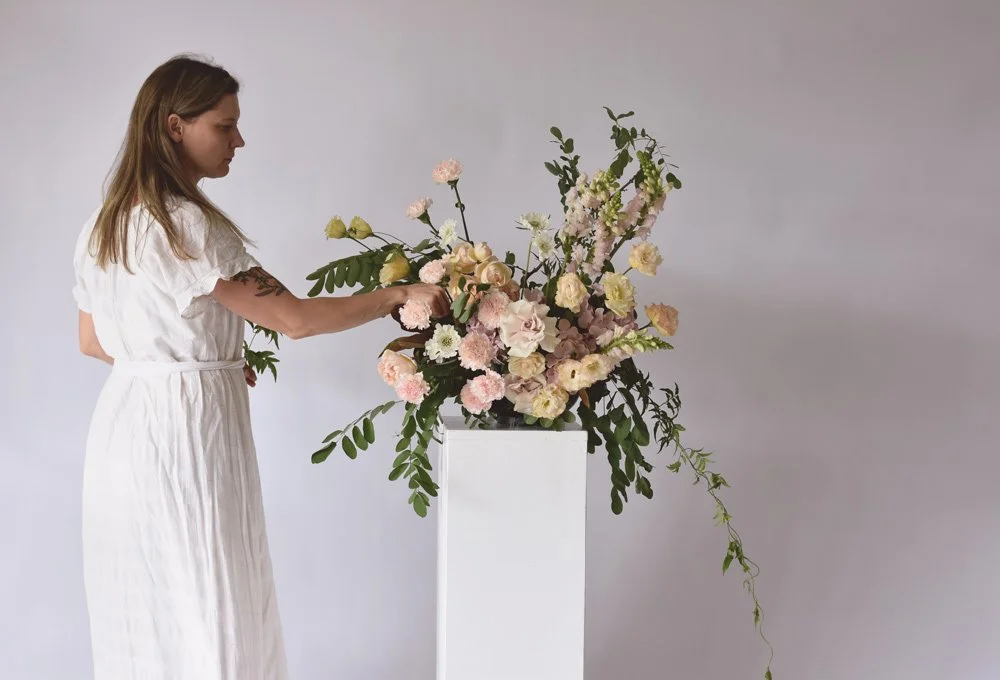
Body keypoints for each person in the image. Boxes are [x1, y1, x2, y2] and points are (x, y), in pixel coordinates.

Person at [72, 54, 449, 680]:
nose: (239, 139)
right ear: (174, 126)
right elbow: (293, 319)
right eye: (225, 126)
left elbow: (93, 341)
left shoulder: (100, 226)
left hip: (124, 428)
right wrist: (395, 295)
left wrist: (198, 361)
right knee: (211, 590)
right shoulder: (187, 222)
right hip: (185, 434)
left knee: (150, 602)